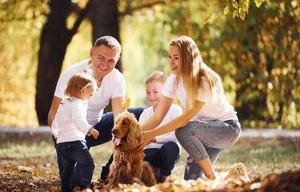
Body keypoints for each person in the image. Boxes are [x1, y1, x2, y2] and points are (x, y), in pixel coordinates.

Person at [141, 36, 241, 180]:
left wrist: (150, 134)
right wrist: (135, 133)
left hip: (227, 129)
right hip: (202, 133)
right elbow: (157, 116)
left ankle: (212, 177)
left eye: (176, 58)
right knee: (191, 180)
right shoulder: (172, 80)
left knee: (182, 130)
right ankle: (232, 176)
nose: (171, 62)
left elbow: (184, 119)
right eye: (170, 57)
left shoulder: (203, 80)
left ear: (188, 58)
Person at [48, 36, 144, 182]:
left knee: (138, 115)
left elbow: (118, 118)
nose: (105, 64)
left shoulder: (117, 78)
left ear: (117, 60)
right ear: (91, 53)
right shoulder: (72, 75)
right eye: (101, 58)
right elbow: (52, 116)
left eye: (111, 60)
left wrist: (117, 154)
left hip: (96, 129)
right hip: (70, 133)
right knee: (75, 182)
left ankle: (111, 170)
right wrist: (67, 143)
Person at [53, 73, 99, 191]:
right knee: (88, 164)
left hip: (62, 143)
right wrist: (90, 129)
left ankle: (66, 189)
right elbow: (79, 120)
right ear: (83, 90)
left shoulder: (64, 102)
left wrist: (57, 136)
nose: (91, 97)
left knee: (68, 169)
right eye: (91, 93)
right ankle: (85, 188)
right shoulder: (77, 104)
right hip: (75, 142)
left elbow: (56, 120)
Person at [139, 71, 182, 183]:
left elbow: (175, 137)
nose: (151, 96)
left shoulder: (175, 110)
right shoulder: (145, 114)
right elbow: (141, 137)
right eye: (148, 92)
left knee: (171, 147)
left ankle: (164, 176)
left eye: (155, 91)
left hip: (167, 151)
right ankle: (149, 173)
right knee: (136, 157)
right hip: (149, 153)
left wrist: (154, 138)